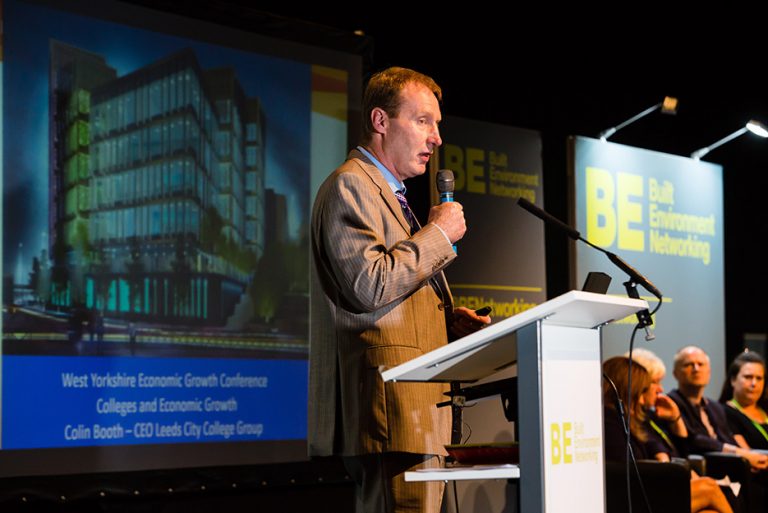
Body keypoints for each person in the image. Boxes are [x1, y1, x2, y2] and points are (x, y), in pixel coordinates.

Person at [308, 67, 491, 513]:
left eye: (438, 124)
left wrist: (446, 321)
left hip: (418, 414)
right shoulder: (352, 184)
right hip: (392, 414)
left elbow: (390, 294)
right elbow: (369, 284)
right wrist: (439, 234)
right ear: (381, 121)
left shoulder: (391, 196)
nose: (437, 138)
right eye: (423, 121)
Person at [602, 356, 733, 513]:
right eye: (649, 386)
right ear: (628, 389)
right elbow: (624, 471)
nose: (660, 389)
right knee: (708, 487)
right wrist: (666, 466)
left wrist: (676, 420)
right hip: (637, 498)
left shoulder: (633, 418)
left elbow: (678, 453)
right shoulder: (610, 419)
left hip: (653, 489)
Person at [669, 346, 768, 471]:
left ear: (709, 371)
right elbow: (694, 440)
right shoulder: (671, 404)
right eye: (689, 364)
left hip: (732, 472)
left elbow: (728, 440)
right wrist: (742, 454)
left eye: (701, 364)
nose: (696, 369)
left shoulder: (714, 407)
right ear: (675, 373)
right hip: (701, 471)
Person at [627, 348, 689, 460]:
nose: (661, 389)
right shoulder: (627, 419)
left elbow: (682, 454)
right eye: (655, 382)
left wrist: (676, 419)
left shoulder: (651, 415)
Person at [719, 351, 768, 451]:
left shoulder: (765, 409)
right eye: (748, 377)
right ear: (733, 380)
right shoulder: (724, 412)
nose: (754, 383)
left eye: (759, 378)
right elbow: (747, 455)